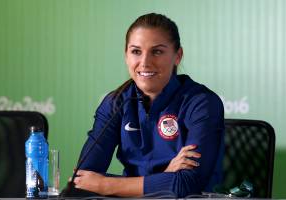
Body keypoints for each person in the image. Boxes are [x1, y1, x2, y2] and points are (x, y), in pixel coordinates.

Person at [72, 13, 224, 198]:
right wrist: (167, 176)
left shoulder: (202, 103)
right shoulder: (115, 102)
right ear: (126, 55)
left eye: (157, 52)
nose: (144, 63)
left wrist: (104, 184)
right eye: (136, 51)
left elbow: (187, 184)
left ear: (178, 56)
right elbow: (82, 179)